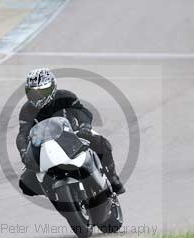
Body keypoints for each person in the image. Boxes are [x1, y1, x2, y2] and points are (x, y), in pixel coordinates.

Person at [16, 68, 125, 196]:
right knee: (25, 183)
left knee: (102, 143)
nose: (38, 96)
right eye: (33, 93)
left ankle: (112, 178)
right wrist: (24, 152)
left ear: (52, 88)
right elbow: (22, 134)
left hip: (73, 134)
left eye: (42, 92)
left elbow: (82, 111)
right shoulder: (27, 110)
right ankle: (53, 192)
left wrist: (85, 126)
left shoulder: (65, 96)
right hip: (45, 146)